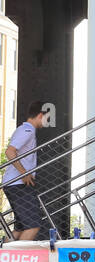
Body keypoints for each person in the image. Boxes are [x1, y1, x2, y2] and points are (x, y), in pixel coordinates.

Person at [3, 100, 49, 240]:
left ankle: (4, 256)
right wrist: (24, 173)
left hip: (14, 184)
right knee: (33, 226)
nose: (48, 122)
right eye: (47, 118)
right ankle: (16, 261)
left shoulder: (26, 130)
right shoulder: (27, 130)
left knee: (20, 228)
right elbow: (10, 152)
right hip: (18, 184)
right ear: (41, 115)